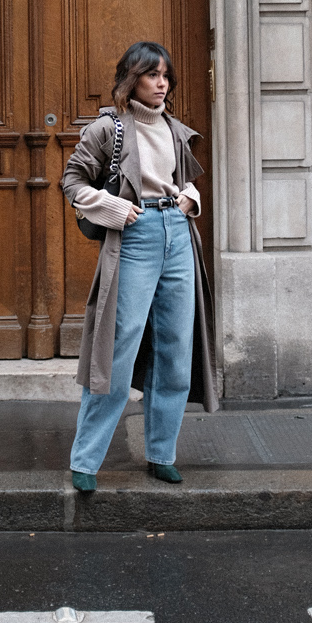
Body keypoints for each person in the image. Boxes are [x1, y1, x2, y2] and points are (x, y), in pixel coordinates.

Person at [60, 41, 218, 493]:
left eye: (166, 75)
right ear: (132, 79)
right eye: (153, 75)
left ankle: (161, 454)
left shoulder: (174, 129)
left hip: (178, 235)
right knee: (117, 347)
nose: (162, 83)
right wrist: (112, 207)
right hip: (137, 236)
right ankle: (86, 461)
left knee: (175, 347)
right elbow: (72, 181)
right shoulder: (107, 129)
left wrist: (192, 198)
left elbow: (181, 179)